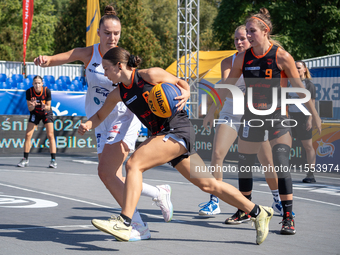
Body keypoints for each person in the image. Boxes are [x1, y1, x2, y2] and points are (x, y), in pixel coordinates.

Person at [78, 46, 274, 245]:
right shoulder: (119, 93)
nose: (104, 73)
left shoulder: (149, 75)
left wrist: (187, 93)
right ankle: (259, 211)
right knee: (209, 185)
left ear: (119, 66)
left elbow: (180, 82)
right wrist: (87, 123)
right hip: (165, 136)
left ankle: (125, 222)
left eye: (106, 68)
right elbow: (101, 115)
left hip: (177, 130)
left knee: (133, 164)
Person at [33, 6, 172, 241]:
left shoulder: (123, 59)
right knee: (111, 176)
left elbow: (140, 83)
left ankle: (136, 224)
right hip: (100, 119)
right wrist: (46, 61)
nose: (112, 38)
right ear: (99, 32)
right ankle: (158, 192)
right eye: (108, 33)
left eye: (116, 33)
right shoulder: (89, 54)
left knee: (107, 173)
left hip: (123, 118)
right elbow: (66, 56)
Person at [219, 8, 322, 235]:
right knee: (244, 163)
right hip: (252, 117)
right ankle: (245, 210)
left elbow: (300, 89)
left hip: (278, 117)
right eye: (246, 31)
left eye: (252, 31)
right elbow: (229, 87)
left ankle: (288, 216)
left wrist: (314, 115)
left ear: (265, 31)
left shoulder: (281, 56)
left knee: (281, 161)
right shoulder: (243, 58)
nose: (248, 35)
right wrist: (212, 110)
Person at [200, 25, 284, 221]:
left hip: (255, 113)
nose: (239, 42)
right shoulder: (229, 61)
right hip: (232, 111)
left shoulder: (266, 60)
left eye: (243, 39)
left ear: (252, 39)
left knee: (267, 161)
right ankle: (214, 201)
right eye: (236, 39)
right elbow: (227, 87)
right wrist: (211, 111)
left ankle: (276, 199)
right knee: (218, 153)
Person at [17, 75, 57, 168]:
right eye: (35, 83)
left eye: (39, 83)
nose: (37, 85)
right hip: (35, 113)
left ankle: (53, 160)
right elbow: (30, 109)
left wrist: (44, 107)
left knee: (50, 135)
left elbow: (48, 107)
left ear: (42, 83)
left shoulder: (47, 91)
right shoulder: (29, 92)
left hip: (46, 113)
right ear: (32, 84)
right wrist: (33, 105)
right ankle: (25, 159)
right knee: (28, 135)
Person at [289, 61, 317, 183]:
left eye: (299, 68)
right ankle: (283, 173)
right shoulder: (289, 83)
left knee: (308, 146)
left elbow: (312, 104)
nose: (297, 70)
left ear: (305, 69)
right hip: (290, 117)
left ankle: (310, 174)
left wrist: (310, 119)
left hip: (304, 117)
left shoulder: (308, 84)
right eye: (294, 68)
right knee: (284, 145)